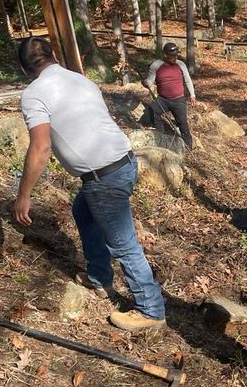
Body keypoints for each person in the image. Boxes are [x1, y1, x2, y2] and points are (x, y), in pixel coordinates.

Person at [13, 37, 166, 333]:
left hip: (103, 178)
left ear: (23, 68)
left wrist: (24, 195)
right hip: (124, 162)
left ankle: (151, 310)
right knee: (83, 210)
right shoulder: (80, 80)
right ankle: (99, 278)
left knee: (123, 244)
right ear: (53, 54)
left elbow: (41, 147)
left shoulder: (34, 94)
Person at [142, 43, 196, 149]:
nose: (174, 58)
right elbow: (150, 81)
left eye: (176, 55)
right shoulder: (156, 65)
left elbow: (188, 80)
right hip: (163, 99)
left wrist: (192, 94)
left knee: (182, 123)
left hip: (178, 100)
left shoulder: (181, 65)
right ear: (165, 55)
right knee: (153, 110)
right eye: (172, 56)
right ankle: (161, 135)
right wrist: (145, 83)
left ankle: (188, 145)